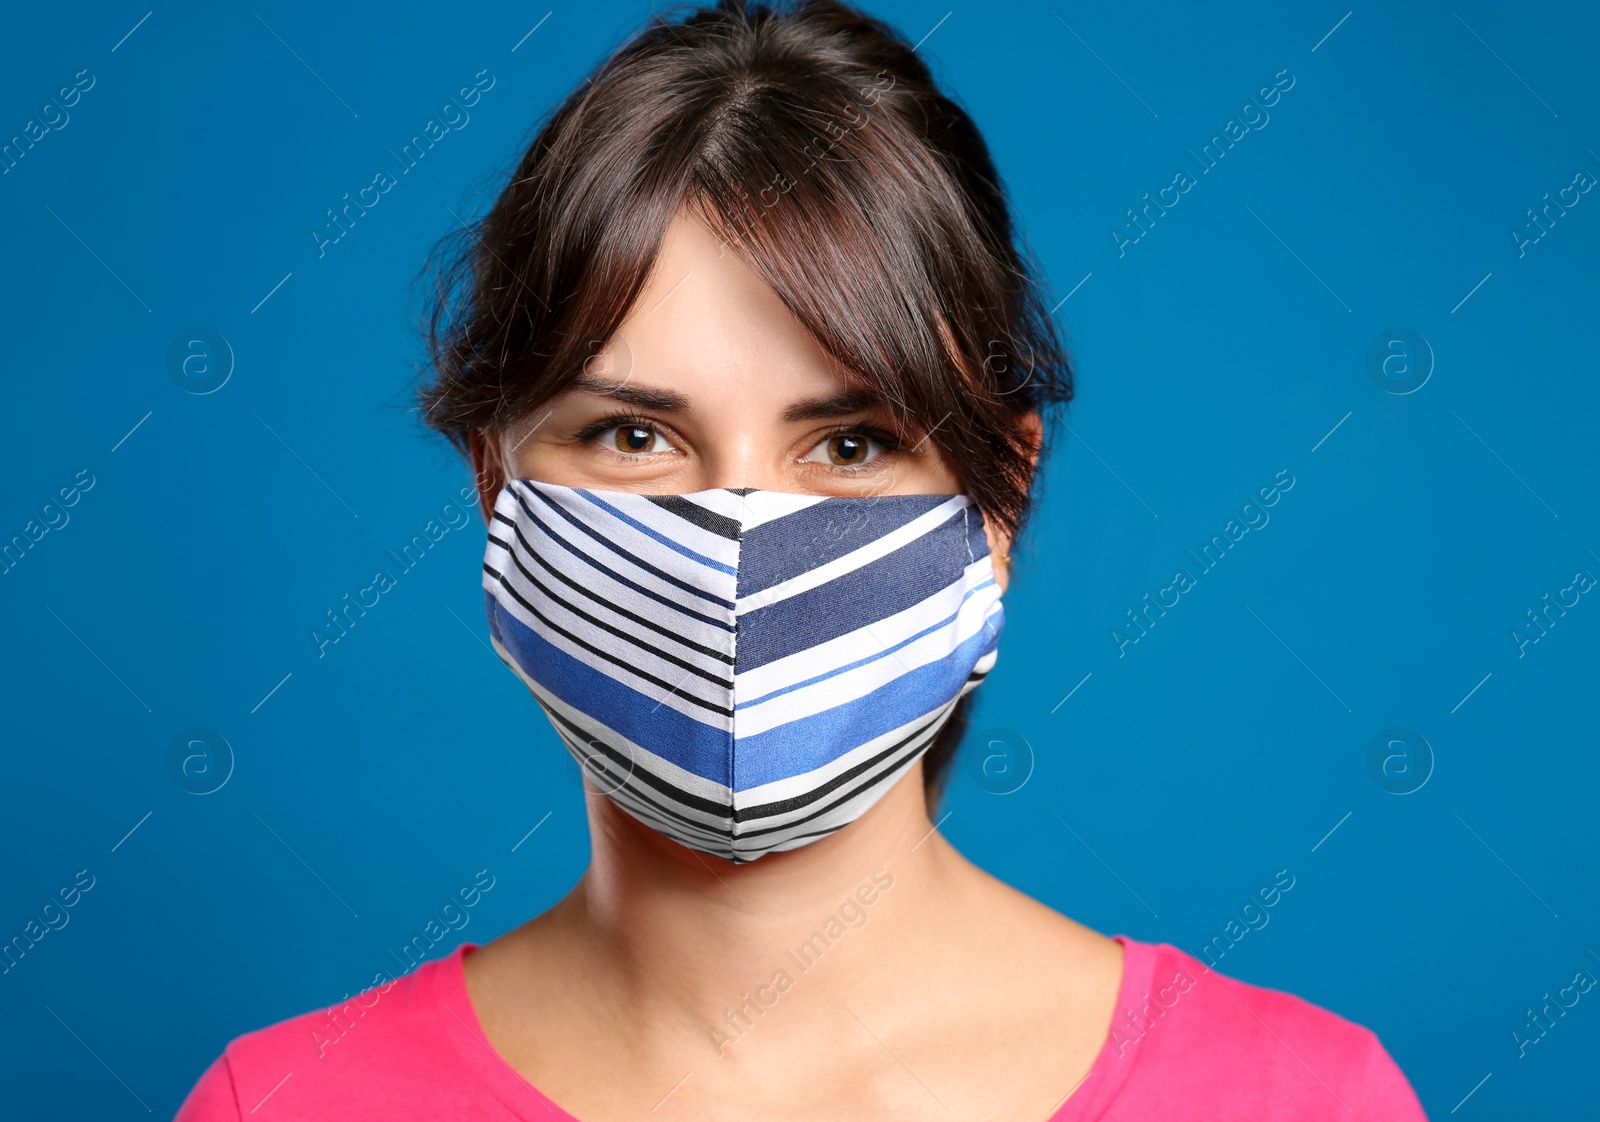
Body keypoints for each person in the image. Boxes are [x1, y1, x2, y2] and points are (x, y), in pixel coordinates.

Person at [176, 2, 1427, 1118]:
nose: (736, 543)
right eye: (633, 434)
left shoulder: (1302, 1099)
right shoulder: (282, 1103)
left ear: (998, 506)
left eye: (848, 440)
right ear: (499, 488)